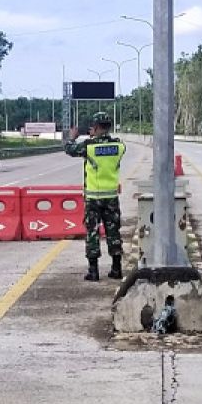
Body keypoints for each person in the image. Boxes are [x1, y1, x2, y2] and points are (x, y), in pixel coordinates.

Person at [64, 112, 126, 281]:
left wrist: (72, 137)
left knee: (92, 232)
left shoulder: (89, 146)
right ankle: (116, 268)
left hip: (93, 198)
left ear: (97, 128)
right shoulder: (119, 146)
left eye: (92, 127)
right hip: (111, 197)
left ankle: (93, 271)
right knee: (113, 231)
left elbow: (69, 149)